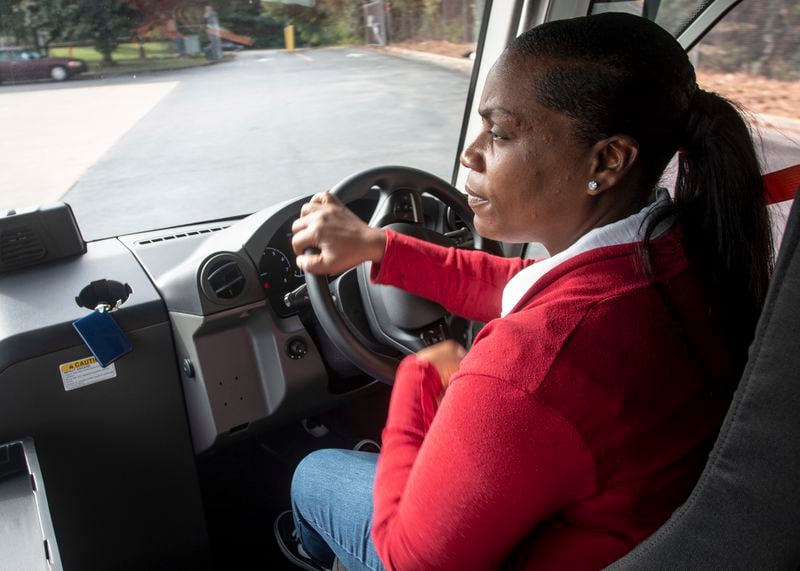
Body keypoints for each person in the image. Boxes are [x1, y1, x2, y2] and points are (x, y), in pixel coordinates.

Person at [275, 12, 773, 571]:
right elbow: (525, 290)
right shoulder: (677, 252)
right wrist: (382, 249)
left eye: (502, 132)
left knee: (312, 473)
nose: (471, 153)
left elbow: (413, 563)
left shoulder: (531, 368)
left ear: (607, 161)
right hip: (629, 528)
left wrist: (426, 370)